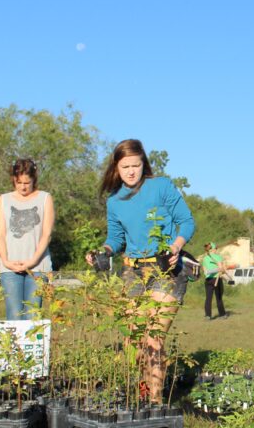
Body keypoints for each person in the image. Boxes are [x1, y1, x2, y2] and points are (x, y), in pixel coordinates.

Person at [87, 139, 195, 402]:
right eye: (126, 167)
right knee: (134, 340)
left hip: (165, 268)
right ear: (116, 167)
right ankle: (144, 394)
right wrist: (103, 252)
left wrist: (176, 247)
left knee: (154, 338)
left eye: (136, 165)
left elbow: (186, 221)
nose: (132, 171)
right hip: (132, 271)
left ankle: (154, 405)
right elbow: (115, 237)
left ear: (143, 164)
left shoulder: (161, 187)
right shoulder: (115, 201)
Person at [0, 159, 54, 320]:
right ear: (13, 179)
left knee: (32, 316)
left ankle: (33, 346)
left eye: (27, 182)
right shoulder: (4, 200)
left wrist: (32, 261)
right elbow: (0, 234)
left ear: (34, 179)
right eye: (19, 182)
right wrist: (6, 261)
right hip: (10, 268)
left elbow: (46, 234)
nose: (23, 186)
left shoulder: (44, 198)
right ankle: (13, 347)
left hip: (37, 267)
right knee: (14, 315)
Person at [201, 242, 228, 320]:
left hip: (208, 280)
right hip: (217, 279)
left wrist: (212, 271)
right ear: (212, 249)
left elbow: (205, 271)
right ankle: (222, 315)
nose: (217, 250)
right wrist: (221, 270)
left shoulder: (205, 258)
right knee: (219, 298)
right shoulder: (218, 257)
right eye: (216, 248)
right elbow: (221, 269)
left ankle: (208, 315)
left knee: (208, 298)